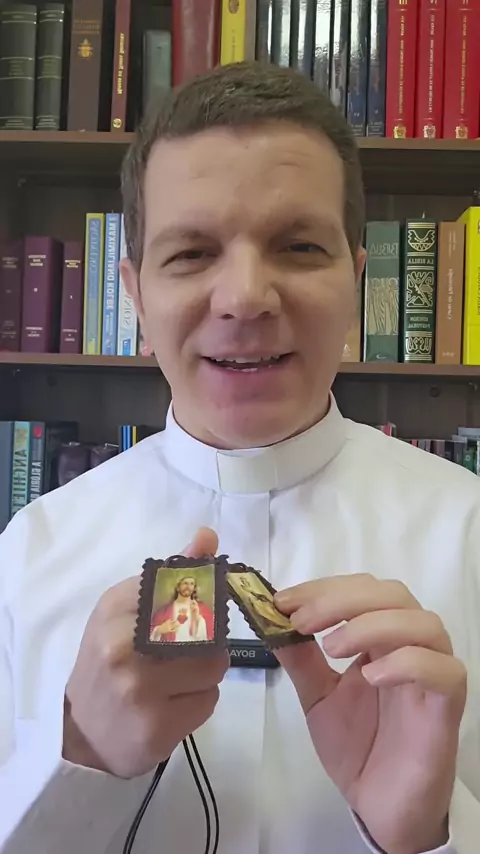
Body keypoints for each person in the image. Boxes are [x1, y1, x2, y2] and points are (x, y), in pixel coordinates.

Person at [0, 60, 479, 854]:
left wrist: (426, 836)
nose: (246, 297)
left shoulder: (470, 533)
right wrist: (77, 764)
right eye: (191, 254)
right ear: (135, 296)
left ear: (356, 284)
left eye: (299, 245)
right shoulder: (28, 555)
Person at [150, 575, 214, 642]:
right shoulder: (164, 611)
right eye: (185, 583)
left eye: (192, 584)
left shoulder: (202, 608)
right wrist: (160, 630)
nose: (188, 586)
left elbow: (211, 633)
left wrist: (198, 618)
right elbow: (150, 633)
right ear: (178, 587)